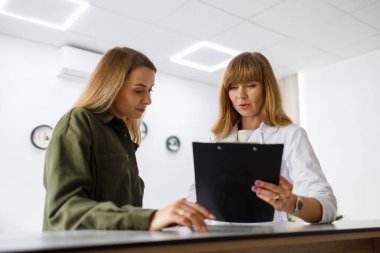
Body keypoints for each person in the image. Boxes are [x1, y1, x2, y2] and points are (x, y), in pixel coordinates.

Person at [43, 47, 215, 231]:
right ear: (112, 86)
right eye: (138, 90)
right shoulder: (79, 121)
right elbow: (63, 210)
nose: (148, 100)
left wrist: (165, 216)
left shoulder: (121, 136)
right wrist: (149, 218)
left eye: (150, 90)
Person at [188, 52, 337, 224]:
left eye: (250, 85)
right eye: (233, 87)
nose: (241, 95)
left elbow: (328, 206)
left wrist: (292, 204)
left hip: (266, 242)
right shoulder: (215, 138)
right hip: (219, 241)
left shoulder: (291, 135)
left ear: (267, 88)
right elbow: (195, 195)